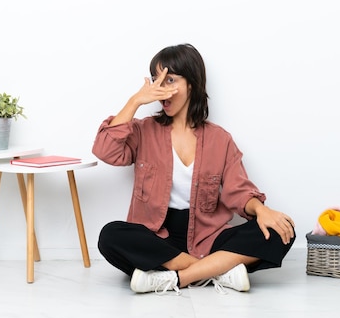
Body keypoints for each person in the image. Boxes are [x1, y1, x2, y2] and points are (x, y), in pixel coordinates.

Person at [92, 43, 295, 295]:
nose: (160, 87)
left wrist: (262, 210)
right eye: (156, 79)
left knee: (280, 230)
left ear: (192, 83)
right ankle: (217, 271)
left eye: (170, 79)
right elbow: (104, 150)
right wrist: (135, 101)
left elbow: (238, 192)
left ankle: (175, 278)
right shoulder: (143, 131)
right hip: (157, 235)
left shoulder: (220, 140)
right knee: (111, 236)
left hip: (207, 236)